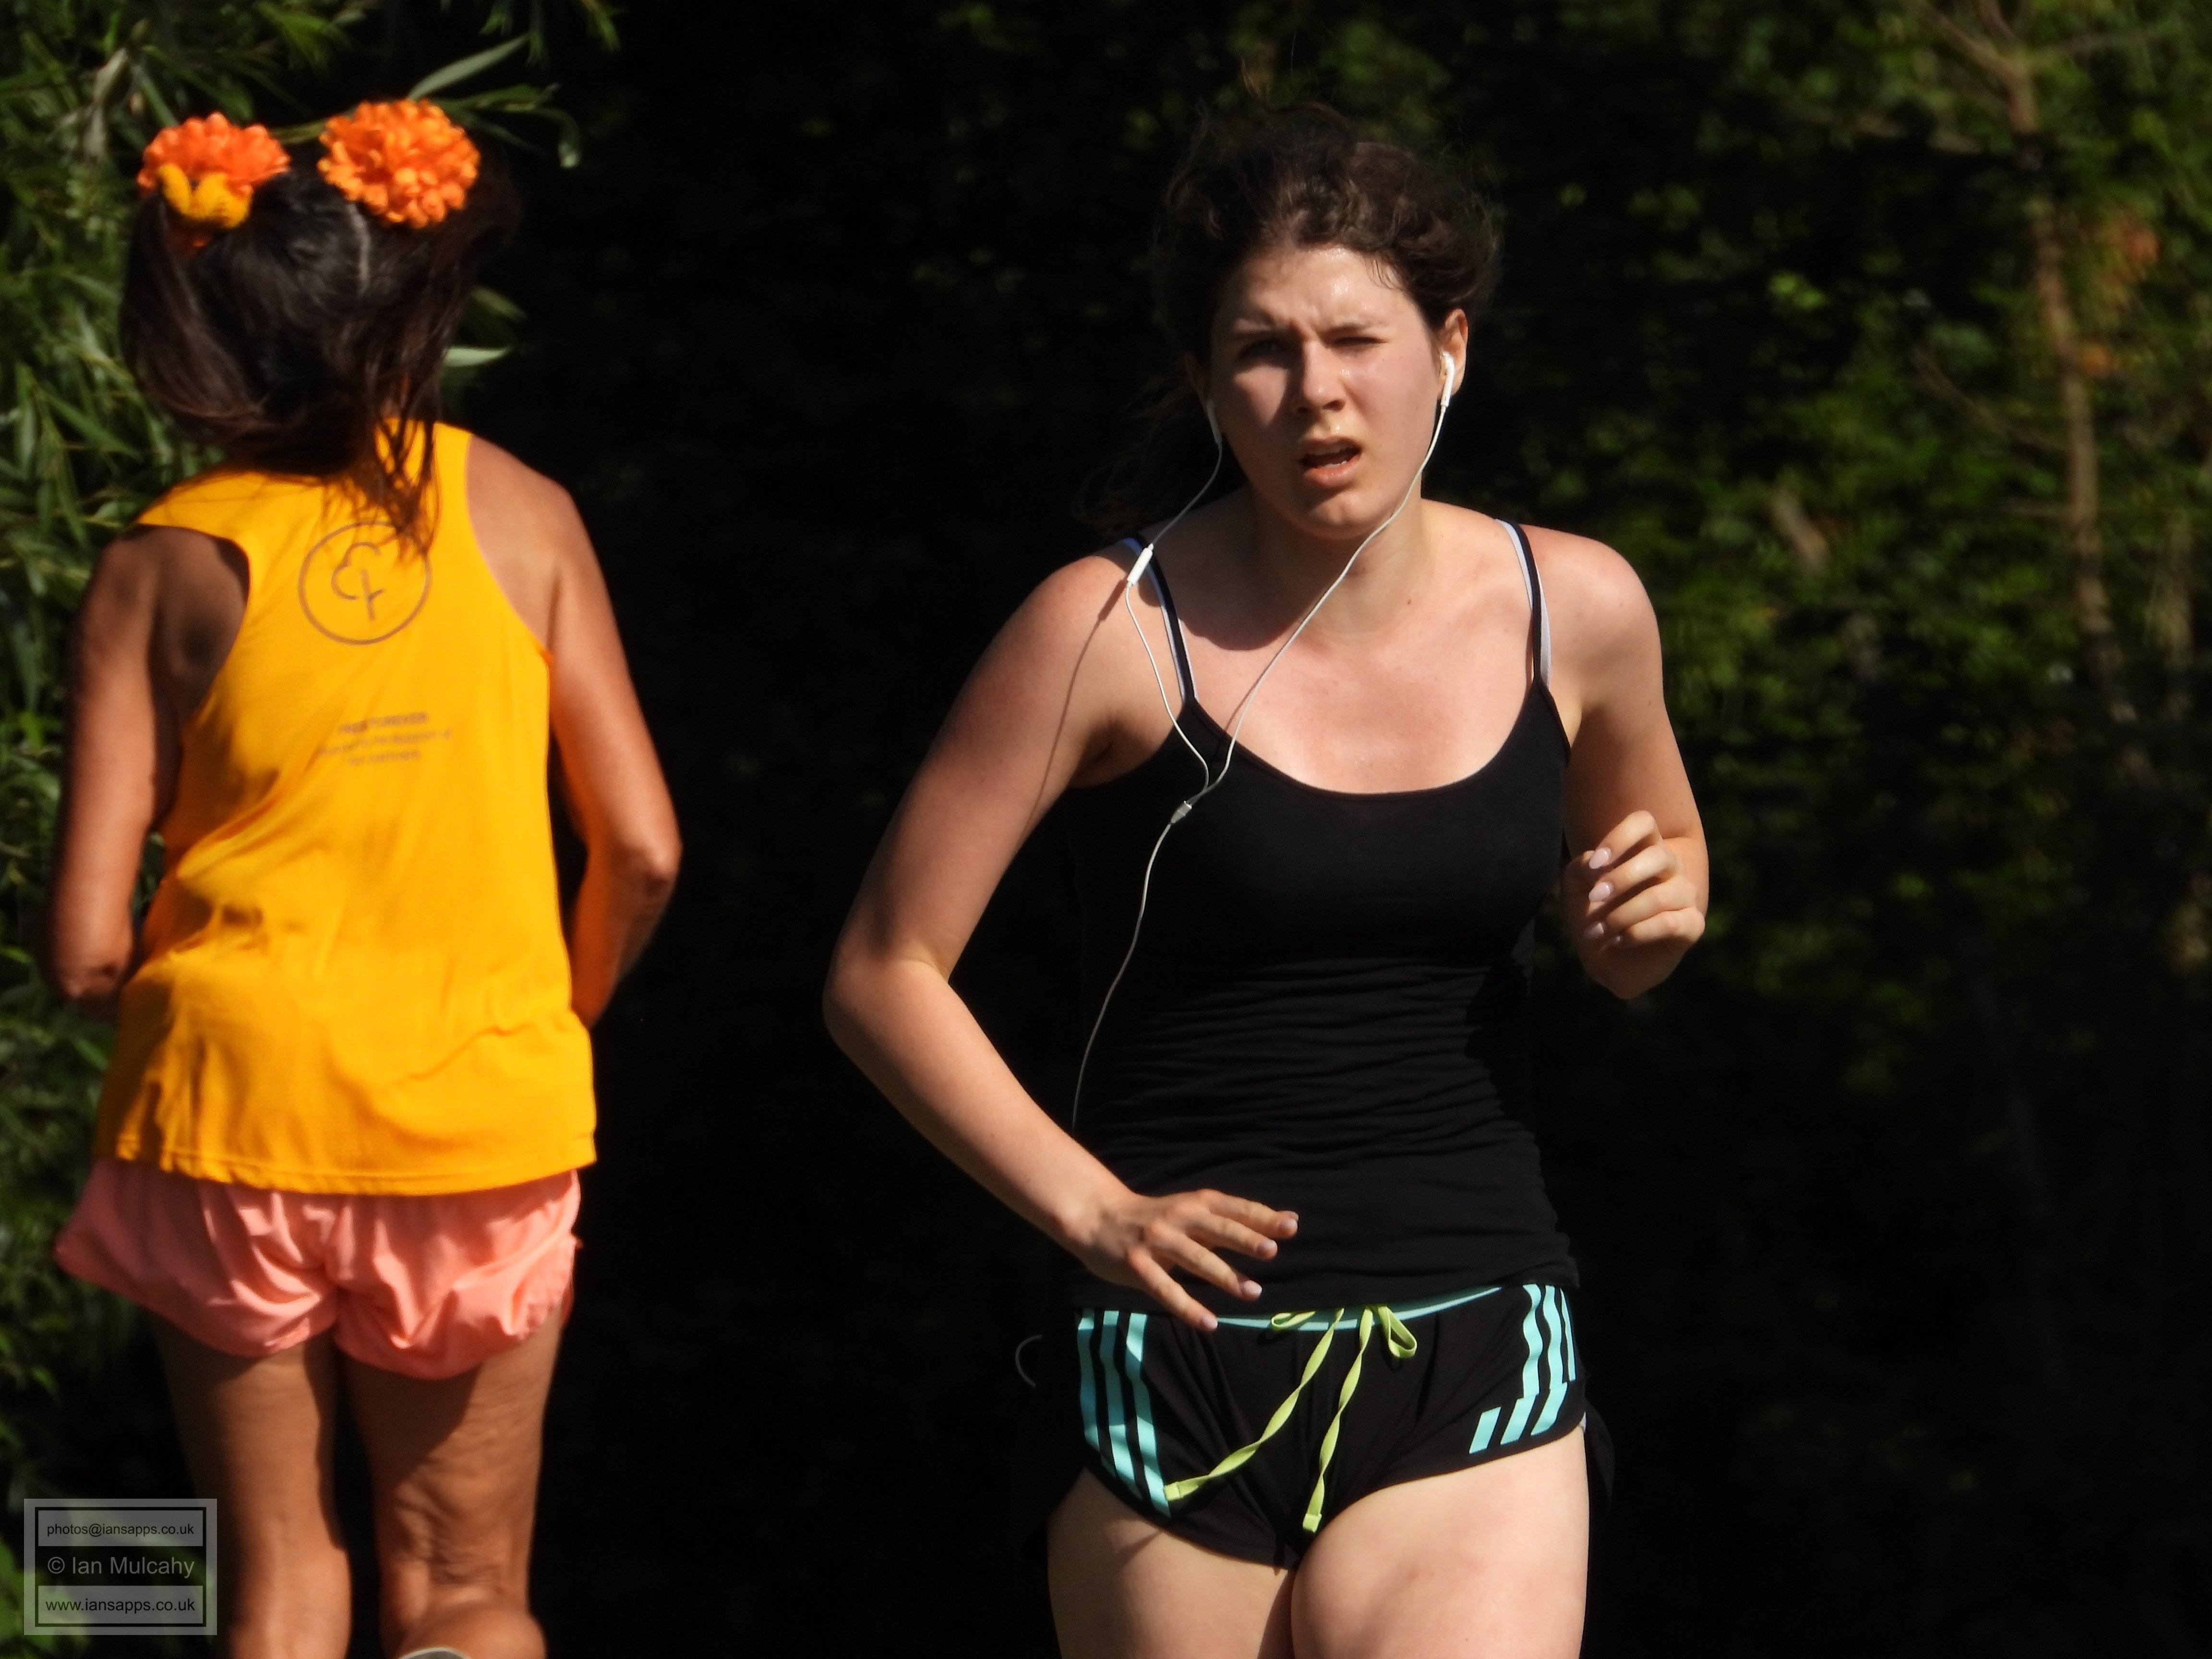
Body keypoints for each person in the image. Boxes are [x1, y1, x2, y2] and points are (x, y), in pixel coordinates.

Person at [826, 110, 1706, 1659]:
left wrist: (1654, 914)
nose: (1318, 394)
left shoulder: (1579, 607)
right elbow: (884, 973)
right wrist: (1092, 1210)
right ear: (1203, 379)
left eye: (1357, 340)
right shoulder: (1105, 629)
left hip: (1472, 1333)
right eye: (1262, 351)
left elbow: (1649, 917)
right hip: (1175, 1359)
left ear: (1448, 349)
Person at [44, 106, 679, 1659]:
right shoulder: (523, 512)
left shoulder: (155, 564)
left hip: (228, 1110)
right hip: (474, 1103)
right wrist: (560, 1005)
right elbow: (645, 847)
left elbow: (80, 949)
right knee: (466, 1590)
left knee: (277, 1588)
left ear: (199, 328)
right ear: (410, 304)